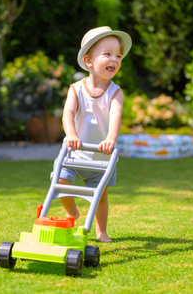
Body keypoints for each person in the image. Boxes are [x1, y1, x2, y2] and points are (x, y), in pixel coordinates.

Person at [53, 26, 132, 242]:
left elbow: (115, 118)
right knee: (60, 180)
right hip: (75, 151)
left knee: (101, 195)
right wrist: (71, 135)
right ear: (88, 61)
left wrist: (110, 140)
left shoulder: (116, 92)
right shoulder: (76, 89)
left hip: (100, 155)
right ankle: (72, 212)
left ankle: (101, 231)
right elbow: (67, 114)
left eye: (118, 56)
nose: (114, 60)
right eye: (107, 54)